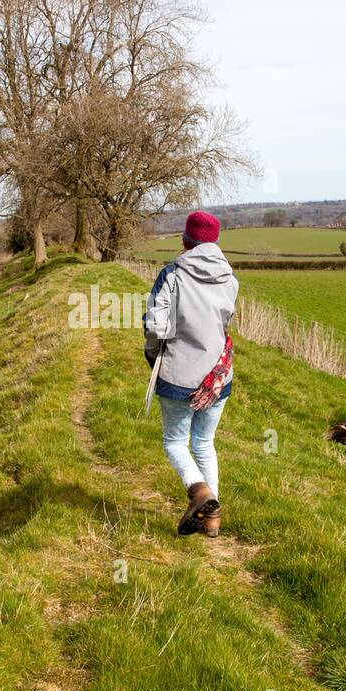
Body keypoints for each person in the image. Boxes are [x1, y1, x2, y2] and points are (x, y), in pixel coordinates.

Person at [143, 210, 239, 537]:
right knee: (204, 442)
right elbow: (225, 321)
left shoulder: (172, 274)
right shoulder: (229, 277)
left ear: (186, 240)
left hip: (179, 376)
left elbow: (155, 326)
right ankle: (212, 519)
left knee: (174, 442)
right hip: (217, 377)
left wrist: (153, 355)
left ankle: (199, 491)